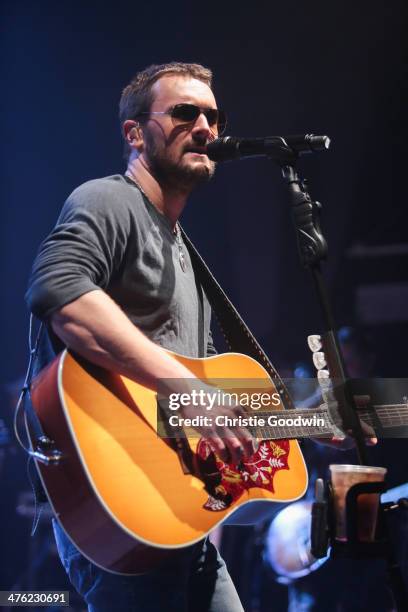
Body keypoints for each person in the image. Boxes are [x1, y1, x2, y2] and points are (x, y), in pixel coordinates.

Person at [25, 61, 373, 612]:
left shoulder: (182, 249)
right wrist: (188, 391)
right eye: (185, 113)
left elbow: (219, 394)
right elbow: (60, 292)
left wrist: (310, 417)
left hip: (180, 519)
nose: (207, 129)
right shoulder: (110, 200)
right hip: (124, 510)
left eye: (214, 117)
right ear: (134, 132)